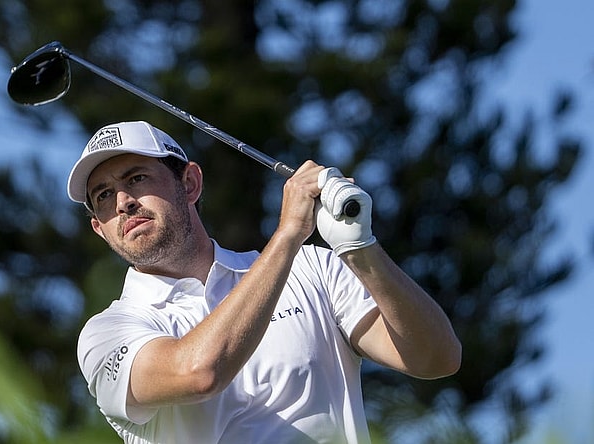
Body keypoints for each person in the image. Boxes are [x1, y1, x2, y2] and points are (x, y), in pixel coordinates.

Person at [68, 121, 461, 443]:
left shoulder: (312, 269)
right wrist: (290, 233)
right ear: (100, 229)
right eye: (103, 195)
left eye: (136, 178)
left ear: (189, 184)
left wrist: (360, 248)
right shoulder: (107, 332)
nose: (122, 202)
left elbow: (436, 358)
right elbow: (199, 373)